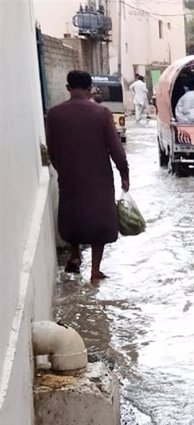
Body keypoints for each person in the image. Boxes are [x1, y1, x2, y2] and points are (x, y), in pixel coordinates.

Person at [46, 70, 130, 284]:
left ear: (68, 88)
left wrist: (62, 169)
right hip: (98, 177)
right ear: (90, 88)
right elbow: (115, 149)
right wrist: (124, 173)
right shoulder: (101, 113)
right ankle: (95, 270)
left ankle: (74, 255)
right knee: (98, 221)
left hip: (69, 175)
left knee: (73, 215)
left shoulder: (54, 114)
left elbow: (52, 150)